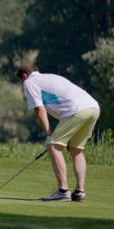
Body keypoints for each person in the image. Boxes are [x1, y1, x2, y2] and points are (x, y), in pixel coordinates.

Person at [15, 64, 100, 202]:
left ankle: (63, 191)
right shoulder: (49, 77)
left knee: (53, 145)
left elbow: (39, 110)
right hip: (93, 107)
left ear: (24, 76)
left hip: (76, 110)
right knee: (75, 148)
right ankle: (80, 192)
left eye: (21, 81)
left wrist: (49, 135)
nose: (22, 84)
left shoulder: (29, 82)